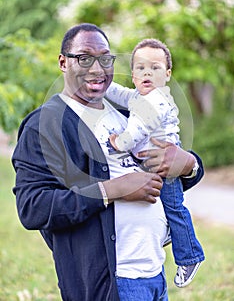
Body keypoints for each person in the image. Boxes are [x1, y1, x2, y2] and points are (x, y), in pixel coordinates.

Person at [12, 24, 204, 301]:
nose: (97, 68)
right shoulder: (46, 124)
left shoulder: (129, 111)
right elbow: (33, 207)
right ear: (63, 62)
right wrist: (112, 190)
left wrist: (188, 164)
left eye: (105, 58)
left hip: (154, 275)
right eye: (84, 57)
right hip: (109, 284)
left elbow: (170, 172)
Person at [106, 38, 205, 288]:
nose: (147, 72)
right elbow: (121, 94)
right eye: (140, 68)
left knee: (174, 207)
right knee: (164, 204)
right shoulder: (140, 96)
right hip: (151, 164)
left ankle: (190, 256)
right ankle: (171, 231)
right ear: (133, 74)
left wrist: (120, 142)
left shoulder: (157, 100)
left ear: (168, 74)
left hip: (165, 165)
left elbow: (139, 129)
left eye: (155, 67)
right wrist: (104, 84)